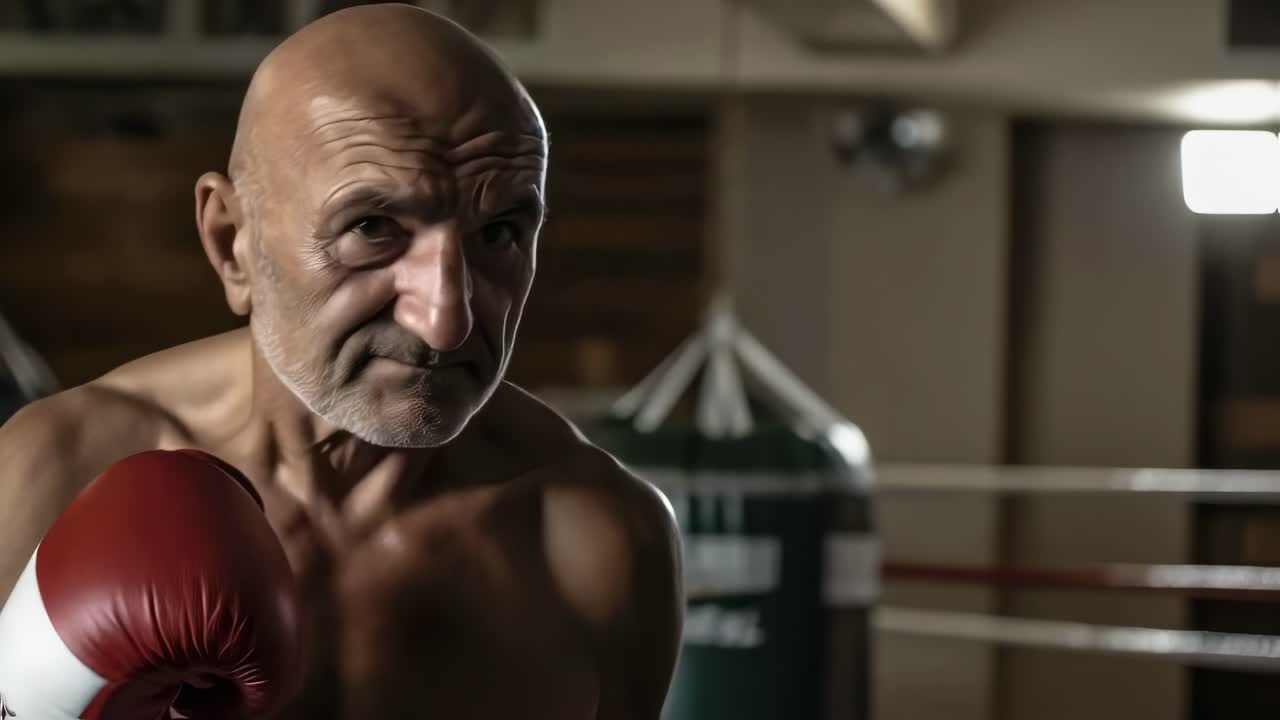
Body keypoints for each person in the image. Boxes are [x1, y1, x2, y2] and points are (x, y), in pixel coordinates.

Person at [0, 3, 684, 718]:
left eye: (500, 232)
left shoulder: (600, 543)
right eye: (373, 228)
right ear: (231, 242)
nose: (447, 322)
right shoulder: (51, 476)